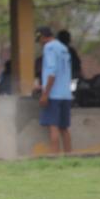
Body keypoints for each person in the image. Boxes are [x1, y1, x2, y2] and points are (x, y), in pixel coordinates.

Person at [38, 26, 73, 156]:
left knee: (53, 127)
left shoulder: (49, 47)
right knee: (64, 128)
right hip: (66, 94)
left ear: (43, 37)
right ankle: (70, 157)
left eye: (40, 40)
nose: (40, 43)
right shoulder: (63, 48)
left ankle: (54, 158)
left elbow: (52, 73)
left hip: (54, 94)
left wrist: (45, 94)